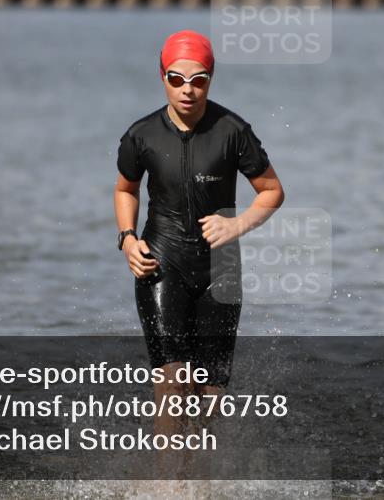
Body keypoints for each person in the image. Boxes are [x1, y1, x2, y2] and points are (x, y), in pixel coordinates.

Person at [113, 30, 285, 451]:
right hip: (161, 264)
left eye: (199, 79)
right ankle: (171, 487)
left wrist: (236, 225)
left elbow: (273, 191)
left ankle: (200, 484)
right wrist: (127, 239)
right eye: (176, 78)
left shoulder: (232, 131)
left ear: (211, 79)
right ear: (162, 76)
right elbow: (125, 190)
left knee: (209, 397)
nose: (187, 90)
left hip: (220, 270)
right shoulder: (141, 136)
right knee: (172, 384)